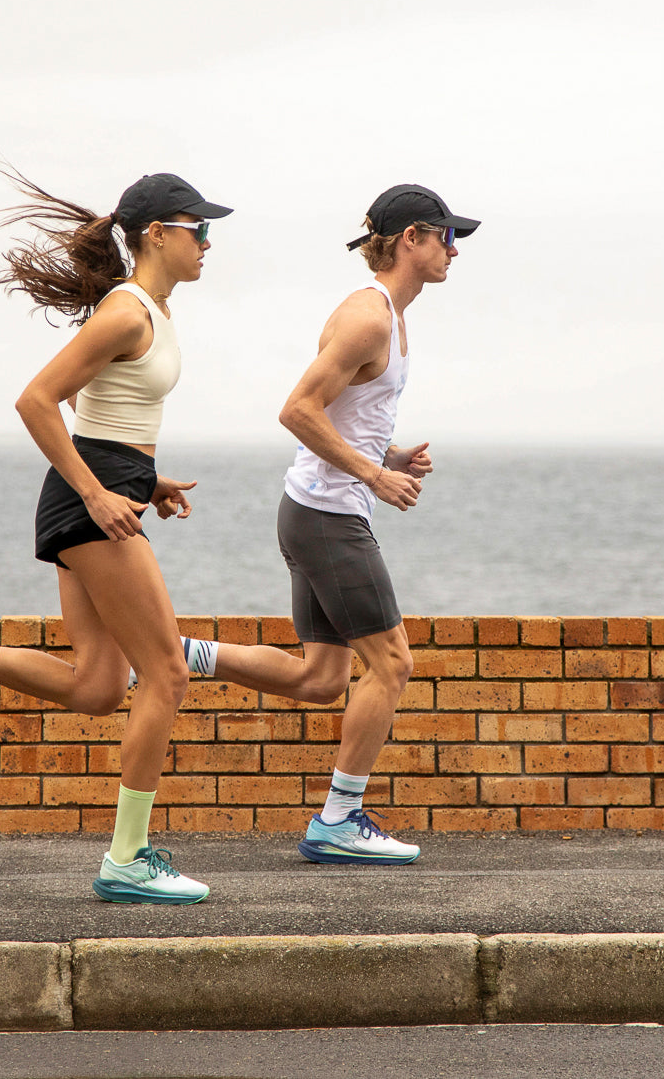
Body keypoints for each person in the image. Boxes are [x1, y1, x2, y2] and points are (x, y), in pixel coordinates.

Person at [0, 170, 232, 905]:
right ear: (158, 232)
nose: (209, 243)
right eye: (199, 228)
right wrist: (99, 494)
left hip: (105, 493)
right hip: (87, 503)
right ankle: (128, 858)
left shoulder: (152, 310)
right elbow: (36, 400)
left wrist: (143, 481)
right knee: (166, 675)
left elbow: (109, 418)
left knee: (98, 687)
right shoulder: (127, 314)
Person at [177, 183, 479, 864]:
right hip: (329, 518)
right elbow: (299, 410)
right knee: (393, 664)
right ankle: (340, 819)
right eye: (446, 236)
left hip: (314, 511)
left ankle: (182, 656)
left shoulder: (394, 318)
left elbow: (342, 416)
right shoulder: (367, 318)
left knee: (320, 679)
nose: (455, 250)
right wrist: (374, 474)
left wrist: (388, 453)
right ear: (412, 239)